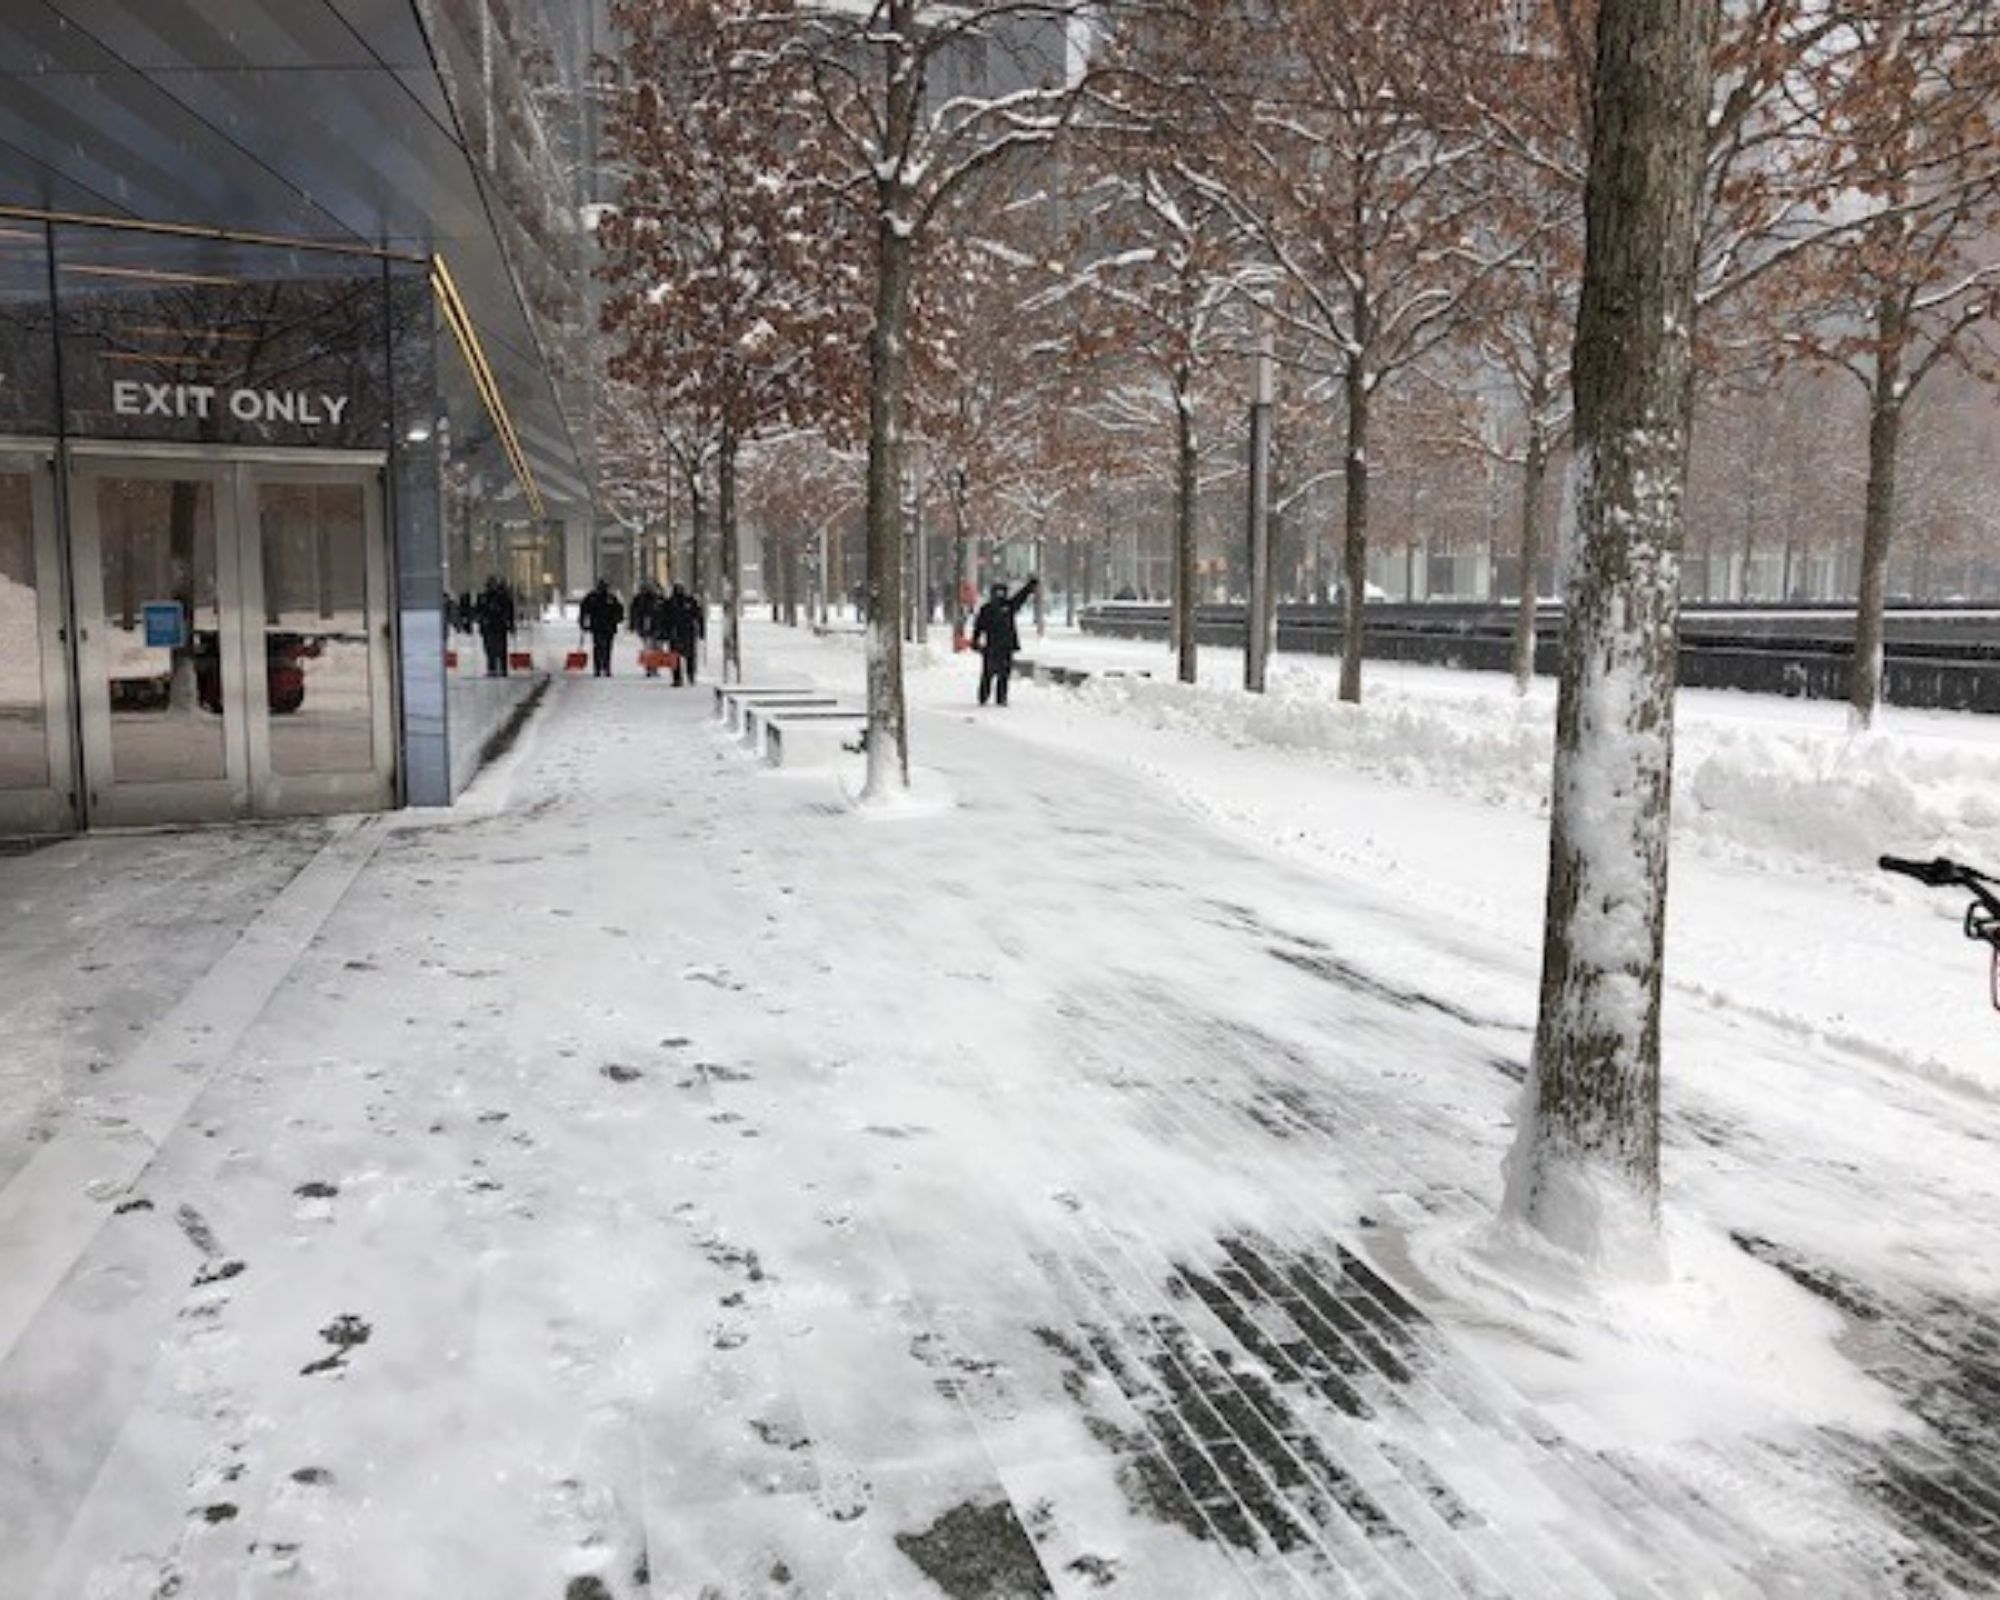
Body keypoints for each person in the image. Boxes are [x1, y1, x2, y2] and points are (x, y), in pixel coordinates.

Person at [970, 575, 1038, 707]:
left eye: (1002, 592)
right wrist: (975, 641)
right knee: (988, 673)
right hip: (992, 646)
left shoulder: (1009, 606)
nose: (1000, 596)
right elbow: (978, 627)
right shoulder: (987, 609)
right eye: (998, 592)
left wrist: (1030, 586)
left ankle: (1001, 698)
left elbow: (1021, 597)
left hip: (1005, 646)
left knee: (1003, 674)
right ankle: (984, 696)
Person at [577, 578, 624, 678]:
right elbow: (584, 610)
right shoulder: (596, 597)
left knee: (602, 647)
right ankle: (602, 668)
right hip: (600, 627)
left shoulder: (606, 598)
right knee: (602, 647)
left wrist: (583, 622)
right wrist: (583, 622)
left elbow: (618, 610)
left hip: (604, 626)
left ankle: (602, 668)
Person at [662, 582, 705, 687]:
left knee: (689, 656)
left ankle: (690, 675)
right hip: (676, 632)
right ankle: (678, 678)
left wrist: (701, 630)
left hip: (687, 632)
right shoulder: (670, 603)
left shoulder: (689, 601)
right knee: (676, 656)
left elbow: (698, 616)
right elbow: (664, 618)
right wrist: (664, 632)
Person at [474, 575, 514, 677]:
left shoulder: (501, 597)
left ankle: (501, 669)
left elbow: (508, 611)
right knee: (490, 649)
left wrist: (509, 623)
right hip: (490, 627)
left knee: (499, 649)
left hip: (498, 627)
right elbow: (478, 611)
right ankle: (493, 668)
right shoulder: (484, 597)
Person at [630, 579, 667, 676]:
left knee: (657, 648)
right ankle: (650, 667)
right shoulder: (640, 599)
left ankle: (654, 667)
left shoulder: (661, 599)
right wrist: (634, 624)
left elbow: (667, 613)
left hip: (659, 627)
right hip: (647, 628)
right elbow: (635, 613)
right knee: (649, 648)